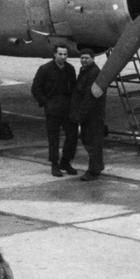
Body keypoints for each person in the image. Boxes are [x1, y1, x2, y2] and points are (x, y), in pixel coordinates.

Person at [30, 45, 79, 177]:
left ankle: (66, 161)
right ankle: (55, 165)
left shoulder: (70, 69)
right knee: (53, 138)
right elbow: (36, 89)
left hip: (67, 107)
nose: (63, 57)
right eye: (60, 54)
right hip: (53, 108)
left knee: (72, 135)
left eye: (65, 54)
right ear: (54, 54)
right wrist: (46, 103)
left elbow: (73, 88)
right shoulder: (45, 69)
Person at [68, 49, 106, 180]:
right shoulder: (85, 71)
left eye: (86, 58)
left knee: (92, 142)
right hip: (88, 115)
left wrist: (80, 114)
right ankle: (96, 167)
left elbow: (90, 97)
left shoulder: (93, 73)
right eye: (82, 58)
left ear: (93, 58)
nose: (84, 60)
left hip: (92, 116)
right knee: (89, 141)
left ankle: (94, 170)